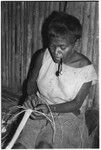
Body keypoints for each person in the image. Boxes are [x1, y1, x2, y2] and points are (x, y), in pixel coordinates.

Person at [13, 11, 97, 148]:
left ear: (76, 44)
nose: (56, 51)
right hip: (39, 107)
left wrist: (49, 108)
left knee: (44, 146)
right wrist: (31, 96)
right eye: (52, 45)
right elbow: (32, 81)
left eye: (62, 47)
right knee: (20, 146)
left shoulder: (85, 70)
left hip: (68, 114)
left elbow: (76, 103)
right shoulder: (43, 56)